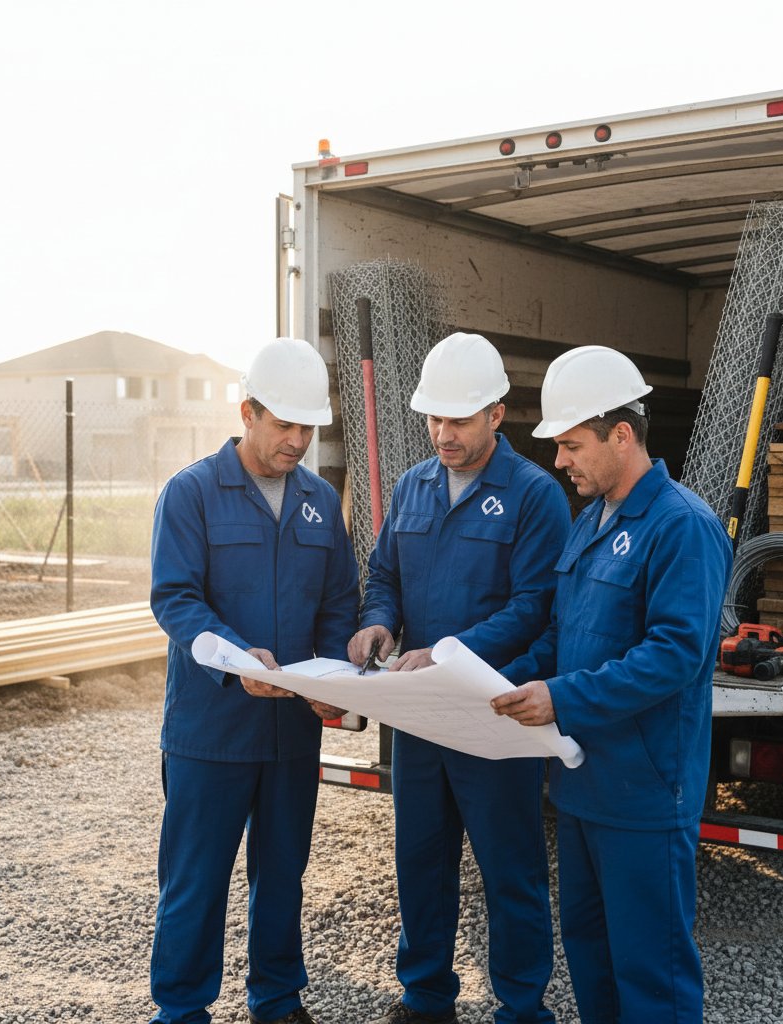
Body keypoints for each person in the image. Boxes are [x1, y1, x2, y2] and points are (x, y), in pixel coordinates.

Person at [491, 345, 733, 1024]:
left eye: (570, 445)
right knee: (592, 957)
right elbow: (561, 639)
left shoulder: (682, 526)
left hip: (645, 794)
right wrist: (486, 683)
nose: (559, 461)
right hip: (582, 787)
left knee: (651, 972)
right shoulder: (591, 522)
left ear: (621, 435)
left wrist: (561, 699)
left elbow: (675, 655)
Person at [347, 332, 571, 1024]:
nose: (443, 433)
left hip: (491, 711)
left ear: (497, 415)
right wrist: (378, 621)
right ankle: (424, 999)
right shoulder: (412, 488)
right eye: (434, 419)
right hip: (419, 716)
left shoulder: (536, 496)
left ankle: (522, 1007)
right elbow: (384, 574)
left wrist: (447, 651)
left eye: (459, 420)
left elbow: (534, 605)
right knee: (420, 860)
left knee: (511, 870)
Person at [148, 337, 359, 1024]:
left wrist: (336, 678)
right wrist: (239, 660)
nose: (297, 440)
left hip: (291, 734)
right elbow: (175, 599)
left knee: (282, 878)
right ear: (247, 412)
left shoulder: (321, 503)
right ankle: (181, 1008)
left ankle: (276, 997)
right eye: (284, 425)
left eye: (308, 427)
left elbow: (338, 604)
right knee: (194, 881)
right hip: (210, 731)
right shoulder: (192, 493)